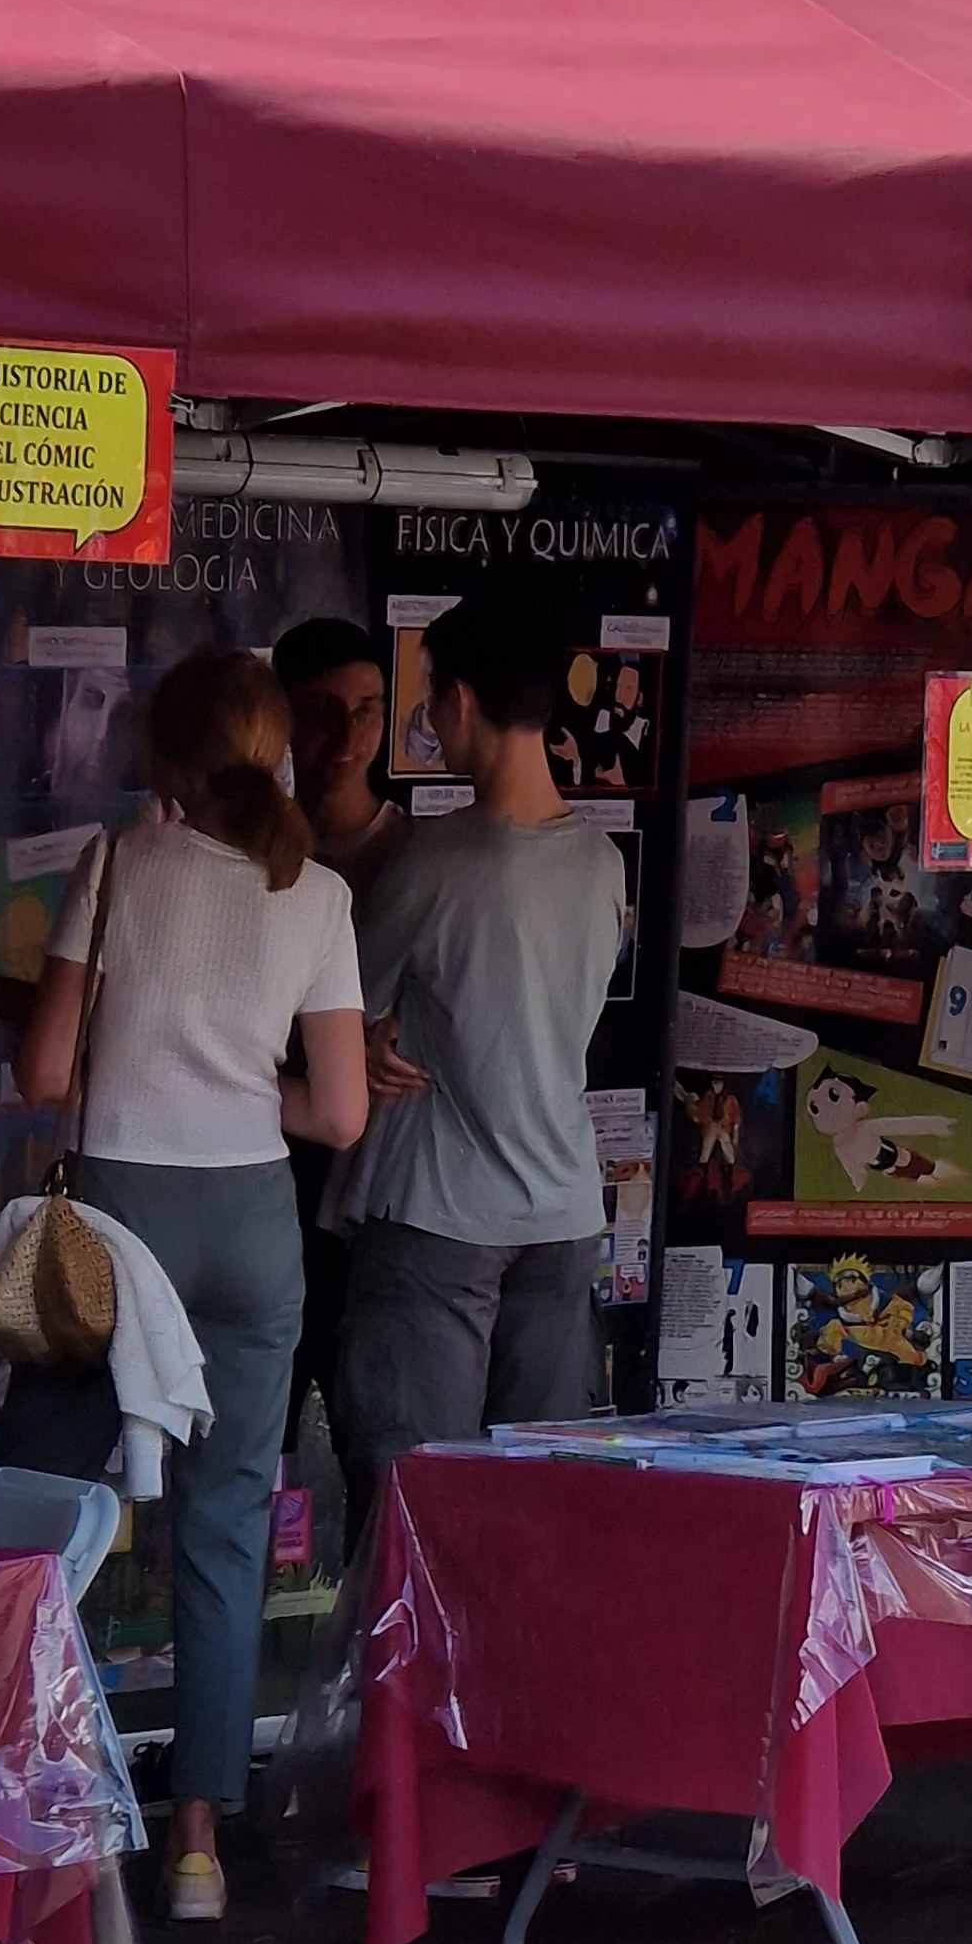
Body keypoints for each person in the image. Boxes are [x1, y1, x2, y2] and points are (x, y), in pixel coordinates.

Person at [16, 650, 366, 1924]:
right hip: (251, 1226)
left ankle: (43, 1810)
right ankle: (200, 1848)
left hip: (119, 1221)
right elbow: (336, 1110)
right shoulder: (316, 892)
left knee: (52, 1503)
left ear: (163, 758)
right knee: (224, 1528)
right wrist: (238, 1086)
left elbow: (45, 1066)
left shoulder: (117, 866)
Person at [331, 597, 626, 1504]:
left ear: (460, 701)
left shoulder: (436, 862)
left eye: (427, 698)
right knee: (536, 1505)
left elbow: (334, 1004)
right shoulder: (602, 862)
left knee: (415, 1505)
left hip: (437, 1219)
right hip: (564, 1216)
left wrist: (367, 1038)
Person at [271, 617, 408, 1456]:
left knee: (373, 1429)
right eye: (325, 710)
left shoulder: (417, 857)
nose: (350, 735)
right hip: (265, 1163)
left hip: (378, 1181)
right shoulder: (247, 858)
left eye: (369, 710)